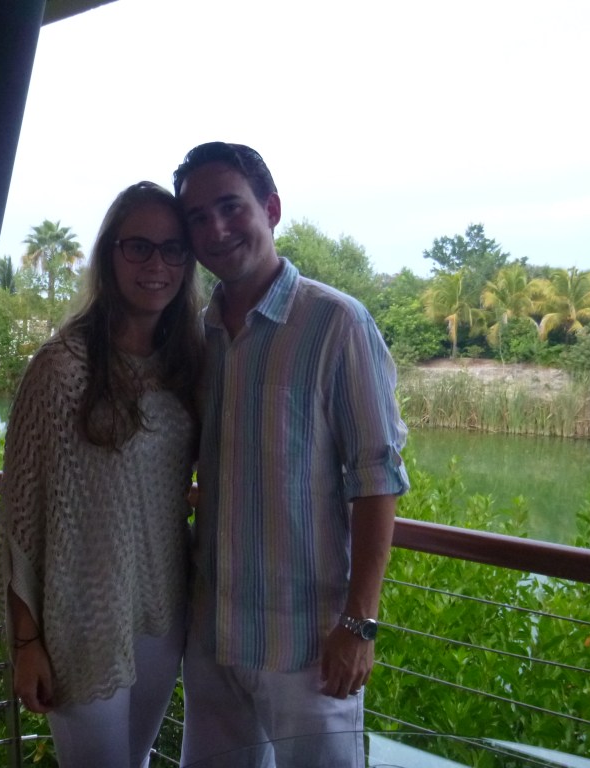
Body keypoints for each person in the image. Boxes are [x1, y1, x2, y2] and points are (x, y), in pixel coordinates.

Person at [173, 142, 410, 768]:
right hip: (213, 634)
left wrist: (359, 625)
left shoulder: (336, 323)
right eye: (198, 217)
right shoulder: (200, 334)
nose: (216, 229)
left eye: (231, 207)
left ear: (271, 209)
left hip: (309, 644)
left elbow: (377, 477)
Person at [0, 181, 203, 767]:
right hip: (81, 624)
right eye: (138, 247)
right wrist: (26, 643)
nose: (157, 264)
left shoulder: (185, 363)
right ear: (109, 254)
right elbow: (19, 522)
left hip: (162, 613)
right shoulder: (60, 370)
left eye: (173, 248)